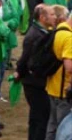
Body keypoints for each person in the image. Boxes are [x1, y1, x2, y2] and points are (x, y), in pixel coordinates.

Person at [15, 4, 56, 140]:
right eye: (52, 14)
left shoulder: (41, 32)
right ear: (42, 18)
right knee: (40, 120)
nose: (55, 17)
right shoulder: (35, 36)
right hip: (35, 84)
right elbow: (25, 59)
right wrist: (19, 73)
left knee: (37, 118)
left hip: (34, 82)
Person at [45, 10, 72, 140]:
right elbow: (69, 67)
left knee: (52, 125)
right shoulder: (69, 38)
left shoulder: (59, 30)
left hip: (52, 86)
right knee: (64, 126)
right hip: (64, 90)